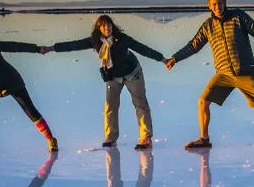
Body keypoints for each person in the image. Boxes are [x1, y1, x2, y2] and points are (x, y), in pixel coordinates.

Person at [163, 0, 254, 152]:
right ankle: (204, 138)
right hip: (224, 74)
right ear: (209, 6)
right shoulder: (208, 26)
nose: (217, 7)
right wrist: (175, 58)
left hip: (246, 72)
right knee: (203, 102)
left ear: (225, 2)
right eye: (214, 4)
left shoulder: (238, 16)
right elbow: (194, 46)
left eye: (219, 3)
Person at [43, 15, 165, 150]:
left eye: (109, 25)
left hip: (132, 73)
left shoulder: (122, 39)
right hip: (113, 75)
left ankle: (146, 137)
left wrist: (162, 59)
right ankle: (111, 137)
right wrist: (52, 48)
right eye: (104, 26)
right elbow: (74, 45)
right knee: (110, 106)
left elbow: (142, 48)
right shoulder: (95, 41)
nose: (107, 28)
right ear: (99, 28)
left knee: (140, 103)